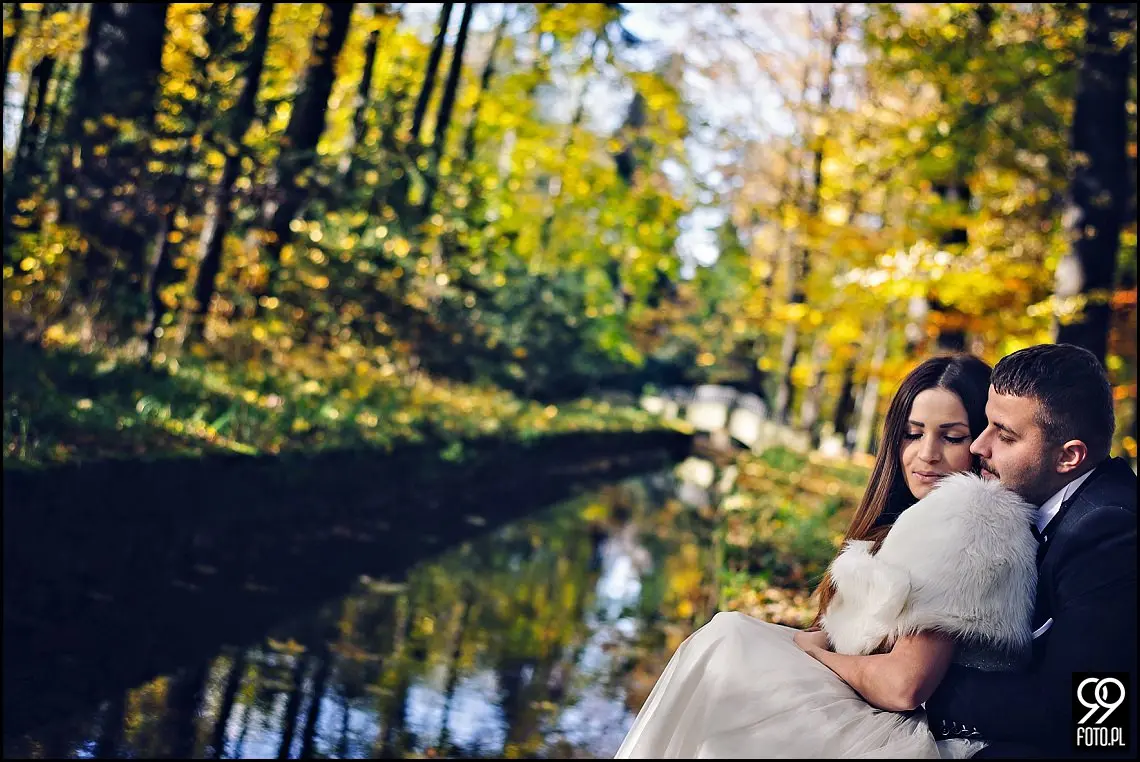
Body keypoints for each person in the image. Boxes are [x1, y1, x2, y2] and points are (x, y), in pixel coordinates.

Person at [615, 352, 1040, 759]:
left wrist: (818, 655)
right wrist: (822, 641)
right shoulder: (919, 519)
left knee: (727, 651)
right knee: (725, 641)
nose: (926, 453)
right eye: (912, 434)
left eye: (951, 437)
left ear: (983, 441)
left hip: (909, 731)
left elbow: (903, 687)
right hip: (880, 709)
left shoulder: (971, 522)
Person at [925, 343, 1137, 758]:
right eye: (986, 424)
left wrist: (925, 687)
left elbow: (1094, 721)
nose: (978, 446)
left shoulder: (1111, 533)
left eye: (1005, 435)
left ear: (1069, 457)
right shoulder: (1037, 502)